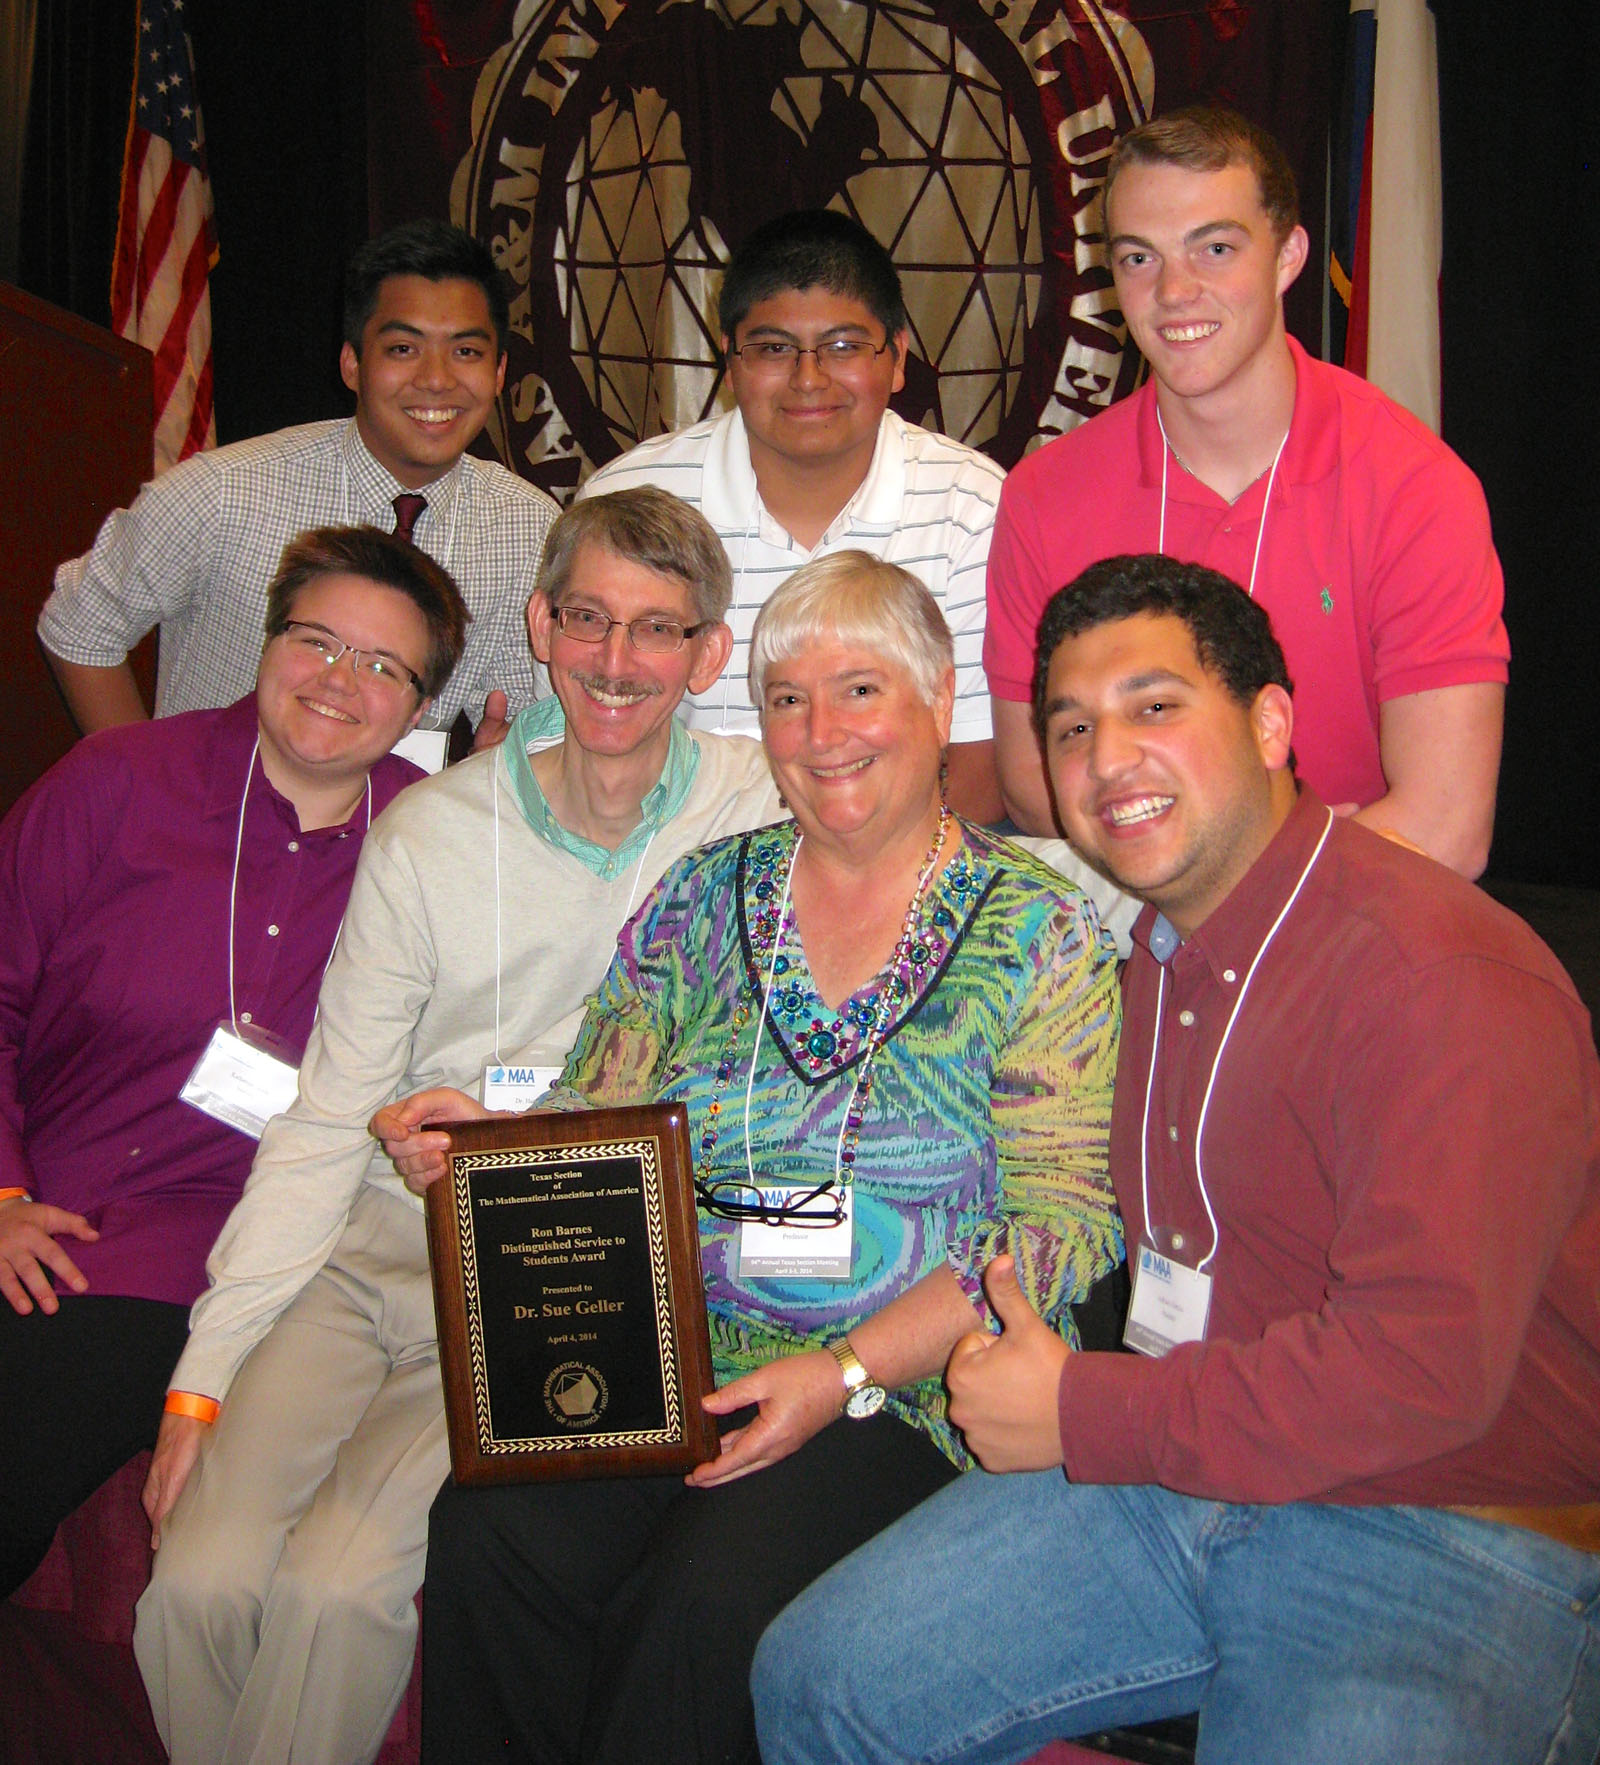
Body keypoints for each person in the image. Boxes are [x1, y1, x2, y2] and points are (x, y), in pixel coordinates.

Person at [752, 554, 1600, 1765]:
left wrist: (1083, 1409)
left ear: (1269, 722)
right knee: (821, 1683)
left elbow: (1421, 1374)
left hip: (1450, 1516)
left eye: (1155, 709)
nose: (1106, 760)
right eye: (1071, 727)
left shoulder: (1440, 976)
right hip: (1194, 1470)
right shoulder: (1159, 949)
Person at [410, 551, 1122, 1765]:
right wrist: (493, 1147)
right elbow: (602, 1112)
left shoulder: (1040, 930)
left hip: (899, 1389)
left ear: (937, 701)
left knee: (709, 1599)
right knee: (493, 1532)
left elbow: (1062, 1224)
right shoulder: (700, 896)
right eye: (788, 698)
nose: (820, 731)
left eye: (860, 691)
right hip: (664, 1360)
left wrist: (841, 1371)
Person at [132, 489, 780, 1765]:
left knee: (336, 1590)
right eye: (587, 617)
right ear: (539, 626)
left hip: (547, 1273)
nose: (613, 660)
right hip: (370, 1244)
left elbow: (761, 1085)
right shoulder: (432, 834)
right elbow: (329, 1113)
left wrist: (509, 1130)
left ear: (710, 656)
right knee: (195, 1582)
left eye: (658, 631)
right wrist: (200, 1380)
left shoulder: (759, 817)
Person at [0, 524, 465, 1599]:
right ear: (266, 642)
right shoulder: (119, 779)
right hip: (39, 1183)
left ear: (418, 704)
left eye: (384, 665)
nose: (340, 681)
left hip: (201, 1245)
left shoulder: (428, 843)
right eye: (316, 640)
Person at [984, 107, 1508, 876]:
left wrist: (1230, 894)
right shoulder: (1044, 495)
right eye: (1139, 259)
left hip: (1352, 929)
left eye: (1216, 248)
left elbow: (1447, 826)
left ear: (1288, 255)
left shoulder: (1415, 488)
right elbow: (1035, 788)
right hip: (1131, 931)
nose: (1174, 292)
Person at [39, 217, 558, 752]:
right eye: (404, 349)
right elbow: (80, 628)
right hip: (215, 821)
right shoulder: (223, 492)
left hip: (396, 827)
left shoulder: (529, 529)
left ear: (498, 373)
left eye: (465, 352)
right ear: (352, 364)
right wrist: (146, 788)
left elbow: (525, 714)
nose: (436, 378)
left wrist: (495, 770)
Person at [580, 209, 1008, 822]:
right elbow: (585, 742)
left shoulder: (971, 506)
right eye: (774, 348)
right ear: (728, 359)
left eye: (843, 346)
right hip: (675, 877)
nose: (809, 380)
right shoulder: (628, 499)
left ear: (898, 355)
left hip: (897, 881)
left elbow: (978, 765)